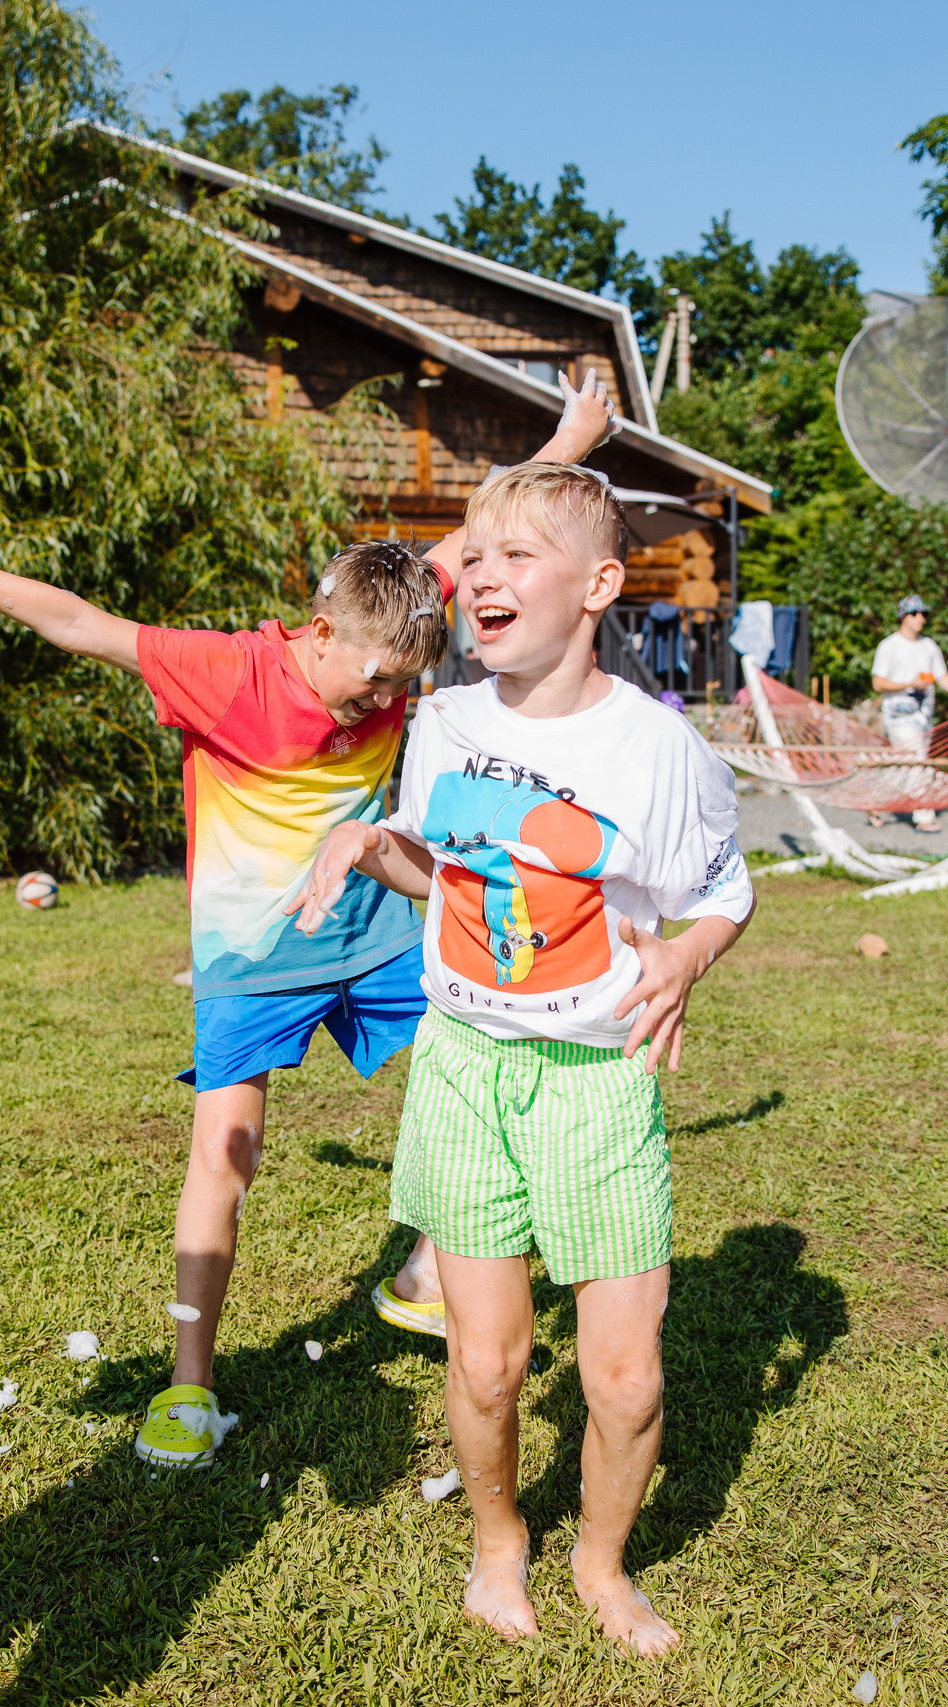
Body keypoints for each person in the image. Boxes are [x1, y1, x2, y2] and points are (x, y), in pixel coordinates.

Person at [0, 380, 616, 1467]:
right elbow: (76, 621)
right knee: (228, 1150)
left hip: (381, 928)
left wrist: (571, 439)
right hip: (253, 956)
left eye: (402, 685)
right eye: (369, 682)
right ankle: (188, 1386)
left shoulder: (399, 611)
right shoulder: (228, 672)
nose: (379, 703)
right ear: (317, 630)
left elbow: (483, 528)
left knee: (493, 1058)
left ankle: (430, 1268)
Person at [292, 462, 756, 1655]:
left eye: (517, 556)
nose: (483, 577)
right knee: (488, 1365)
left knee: (626, 1382)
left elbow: (720, 892)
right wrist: (364, 842)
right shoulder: (442, 723)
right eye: (475, 556)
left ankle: (602, 1566)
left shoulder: (658, 750)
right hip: (462, 1071)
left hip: (595, 1087)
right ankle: (501, 1547)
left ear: (599, 584)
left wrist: (689, 959)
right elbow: (437, 868)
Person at [868, 593, 948, 831]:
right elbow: (878, 683)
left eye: (924, 613)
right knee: (917, 760)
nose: (921, 618)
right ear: (903, 617)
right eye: (915, 613)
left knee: (905, 764)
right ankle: (923, 817)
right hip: (899, 717)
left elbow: (942, 677)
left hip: (923, 717)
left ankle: (874, 797)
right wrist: (909, 683)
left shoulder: (929, 646)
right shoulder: (889, 646)